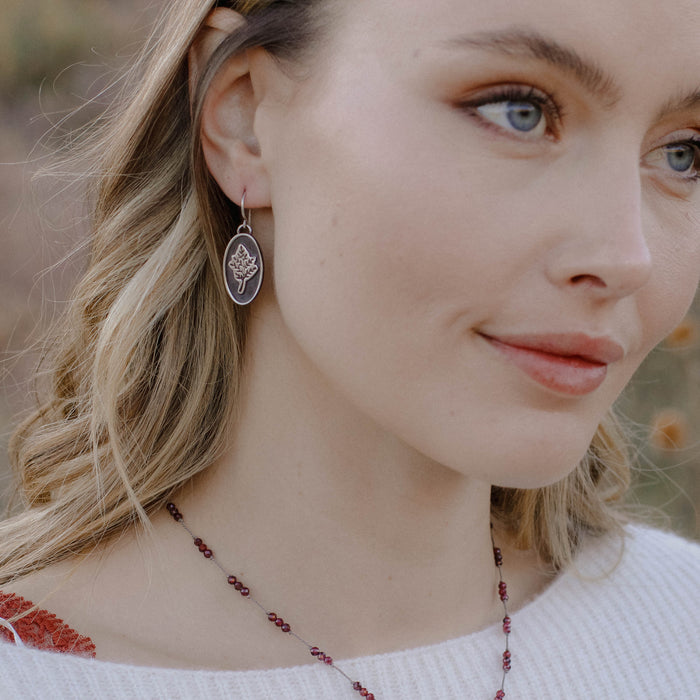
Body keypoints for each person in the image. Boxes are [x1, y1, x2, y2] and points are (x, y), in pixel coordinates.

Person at [1, 0, 699, 697]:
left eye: (684, 153)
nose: (626, 256)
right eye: (517, 110)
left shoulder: (680, 632)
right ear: (245, 115)